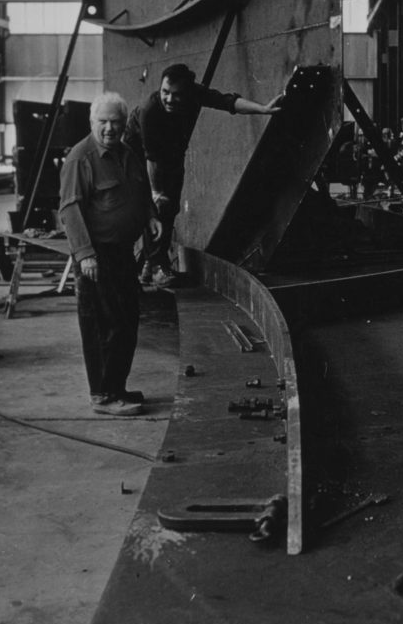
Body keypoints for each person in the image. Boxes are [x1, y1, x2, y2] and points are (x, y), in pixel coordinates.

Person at [124, 63, 282, 286]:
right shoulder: (150, 110)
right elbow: (151, 159)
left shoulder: (195, 94)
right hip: (138, 155)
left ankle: (150, 265)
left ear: (188, 91)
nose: (168, 99)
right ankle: (158, 266)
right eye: (165, 92)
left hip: (171, 153)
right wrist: (156, 192)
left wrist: (263, 109)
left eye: (175, 94)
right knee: (158, 206)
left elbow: (228, 102)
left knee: (171, 206)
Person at [58, 92, 162, 417]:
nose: (109, 129)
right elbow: (70, 209)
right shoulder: (80, 158)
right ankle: (103, 395)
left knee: (127, 322)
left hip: (121, 255)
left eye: (115, 122)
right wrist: (85, 254)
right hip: (95, 257)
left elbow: (140, 191)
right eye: (103, 122)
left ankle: (117, 386)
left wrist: (151, 216)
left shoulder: (127, 153)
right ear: (92, 123)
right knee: (104, 325)